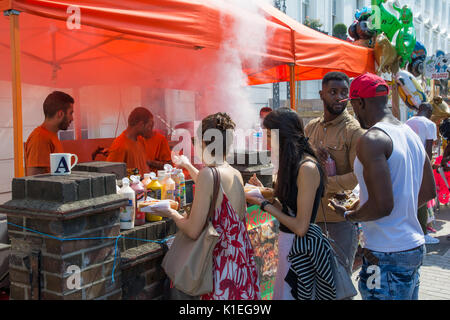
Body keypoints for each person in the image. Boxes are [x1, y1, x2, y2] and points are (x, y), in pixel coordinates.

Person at [331, 73, 436, 300]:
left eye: (353, 106)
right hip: (412, 248)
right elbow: (428, 191)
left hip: (384, 254)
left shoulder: (372, 139)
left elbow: (383, 206)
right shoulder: (410, 133)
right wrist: (401, 210)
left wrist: (350, 214)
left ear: (360, 103)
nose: (353, 113)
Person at [154, 112, 260, 300]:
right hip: (239, 266)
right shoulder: (234, 173)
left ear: (204, 142)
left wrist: (171, 213)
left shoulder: (208, 175)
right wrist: (187, 165)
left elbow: (193, 231)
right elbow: (214, 187)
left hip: (218, 271)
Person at [246, 108, 331, 300]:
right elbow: (287, 209)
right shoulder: (291, 164)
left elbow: (300, 226)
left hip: (299, 249)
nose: (267, 141)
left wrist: (263, 205)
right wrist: (268, 197)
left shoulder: (306, 168)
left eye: (269, 135)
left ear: (282, 135)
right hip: (287, 244)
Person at [304, 71, 365, 275]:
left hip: (339, 222)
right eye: (333, 92)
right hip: (311, 218)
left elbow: (358, 178)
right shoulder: (311, 128)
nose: (339, 97)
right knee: (314, 283)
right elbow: (300, 161)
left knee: (339, 285)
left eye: (344, 92)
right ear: (321, 94)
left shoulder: (354, 131)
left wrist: (320, 182)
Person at [406, 103, 439, 245]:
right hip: (421, 164)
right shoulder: (429, 124)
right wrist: (428, 168)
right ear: (429, 111)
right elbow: (428, 148)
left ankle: (413, 230)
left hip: (407, 163)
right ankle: (423, 233)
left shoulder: (407, 122)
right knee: (423, 198)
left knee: (412, 197)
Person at [25, 91, 74, 176]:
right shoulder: (40, 138)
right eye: (71, 113)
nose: (72, 118)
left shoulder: (50, 136)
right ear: (60, 114)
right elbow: (34, 182)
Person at [106, 107, 151, 175]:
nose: (150, 130)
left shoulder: (141, 140)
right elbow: (111, 172)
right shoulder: (120, 145)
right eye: (149, 126)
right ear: (141, 124)